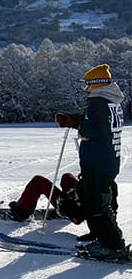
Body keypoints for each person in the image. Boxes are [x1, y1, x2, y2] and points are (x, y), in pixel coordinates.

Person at [56, 64, 127, 261]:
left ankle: (114, 246)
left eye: (87, 84)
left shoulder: (97, 101)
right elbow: (99, 122)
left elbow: (96, 129)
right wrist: (76, 120)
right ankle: (102, 238)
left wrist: (82, 131)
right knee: (95, 201)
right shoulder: (110, 101)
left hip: (97, 160)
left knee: (98, 206)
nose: (86, 89)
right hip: (106, 159)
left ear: (95, 84)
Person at [7, 172, 87, 224]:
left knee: (38, 181)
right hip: (82, 200)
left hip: (76, 207)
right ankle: (67, 209)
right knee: (67, 177)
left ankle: (22, 212)